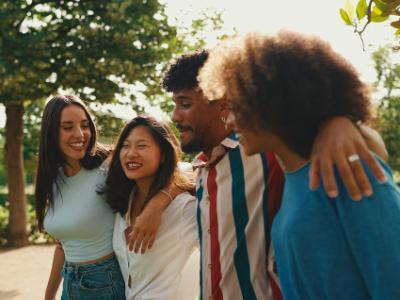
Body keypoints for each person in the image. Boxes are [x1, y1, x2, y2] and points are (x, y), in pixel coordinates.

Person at [161, 49, 388, 300]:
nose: (174, 116)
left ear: (222, 104)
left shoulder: (262, 147)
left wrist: (339, 123)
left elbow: (369, 150)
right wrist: (161, 199)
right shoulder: (201, 167)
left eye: (185, 104)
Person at [35, 95, 179, 299]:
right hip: (70, 282)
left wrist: (157, 204)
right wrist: (49, 296)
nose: (80, 134)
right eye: (67, 127)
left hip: (105, 283)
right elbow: (64, 245)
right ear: (51, 133)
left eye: (85, 125)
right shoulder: (54, 178)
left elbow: (184, 172)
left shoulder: (108, 165)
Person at [101, 115, 199, 299]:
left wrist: (159, 201)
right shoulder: (124, 202)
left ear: (163, 154)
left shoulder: (184, 208)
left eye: (142, 146)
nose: (131, 153)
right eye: (125, 145)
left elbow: (199, 170)